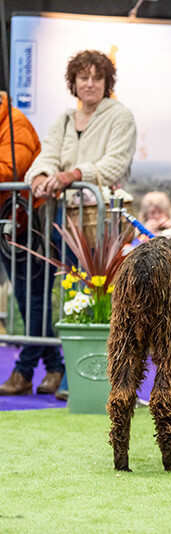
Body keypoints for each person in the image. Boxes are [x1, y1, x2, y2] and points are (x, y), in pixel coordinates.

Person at [24, 49, 137, 400]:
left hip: (102, 218)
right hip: (65, 216)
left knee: (99, 294)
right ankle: (73, 371)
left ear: (107, 84)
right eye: (83, 77)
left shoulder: (121, 117)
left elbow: (115, 163)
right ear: (73, 82)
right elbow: (46, 156)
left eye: (96, 78)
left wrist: (73, 175)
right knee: (72, 295)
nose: (89, 84)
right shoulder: (62, 119)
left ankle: (94, 376)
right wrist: (42, 175)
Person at [0, 92, 59, 397]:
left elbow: (11, 168)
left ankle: (24, 372)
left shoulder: (15, 123)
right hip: (10, 225)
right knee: (27, 301)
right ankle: (55, 365)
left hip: (29, 226)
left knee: (33, 299)